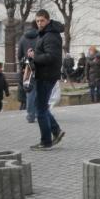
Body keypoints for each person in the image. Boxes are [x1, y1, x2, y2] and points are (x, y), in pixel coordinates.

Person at [26, 9, 65, 150]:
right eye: (37, 21)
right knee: (42, 107)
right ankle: (56, 131)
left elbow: (51, 57)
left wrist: (34, 56)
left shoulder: (51, 36)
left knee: (40, 109)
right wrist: (34, 53)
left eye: (42, 20)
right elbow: (45, 53)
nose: (39, 23)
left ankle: (46, 141)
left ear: (48, 20)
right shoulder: (46, 34)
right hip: (45, 75)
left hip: (46, 76)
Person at [18, 25, 38, 123]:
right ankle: (40, 113)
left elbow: (19, 56)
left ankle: (30, 115)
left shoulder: (22, 38)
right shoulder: (40, 37)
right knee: (40, 91)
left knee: (30, 91)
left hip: (28, 68)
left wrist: (22, 67)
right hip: (40, 66)